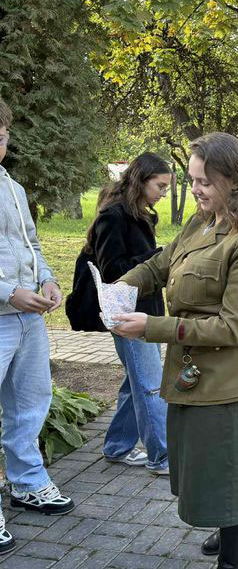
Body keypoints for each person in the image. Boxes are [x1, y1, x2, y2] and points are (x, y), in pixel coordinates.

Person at [111, 132, 238, 569]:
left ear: (233, 180)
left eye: (204, 181)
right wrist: (118, 290)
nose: (195, 189)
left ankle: (232, 558)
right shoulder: (200, 223)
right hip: (188, 370)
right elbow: (159, 264)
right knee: (200, 468)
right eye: (192, 179)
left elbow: (232, 325)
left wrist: (152, 327)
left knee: (223, 472)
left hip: (226, 377)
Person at [0, 98, 74, 556]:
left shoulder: (13, 187)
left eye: (3, 131)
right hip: (4, 312)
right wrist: (7, 291)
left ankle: (26, 483)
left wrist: (46, 277)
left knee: (30, 403)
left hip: (29, 317)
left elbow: (32, 244)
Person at [86, 153, 172, 476]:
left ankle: (117, 446)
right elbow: (112, 272)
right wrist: (155, 258)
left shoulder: (139, 214)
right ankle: (162, 456)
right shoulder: (114, 216)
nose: (164, 192)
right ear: (142, 180)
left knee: (133, 382)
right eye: (160, 185)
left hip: (146, 311)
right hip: (127, 316)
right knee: (150, 384)